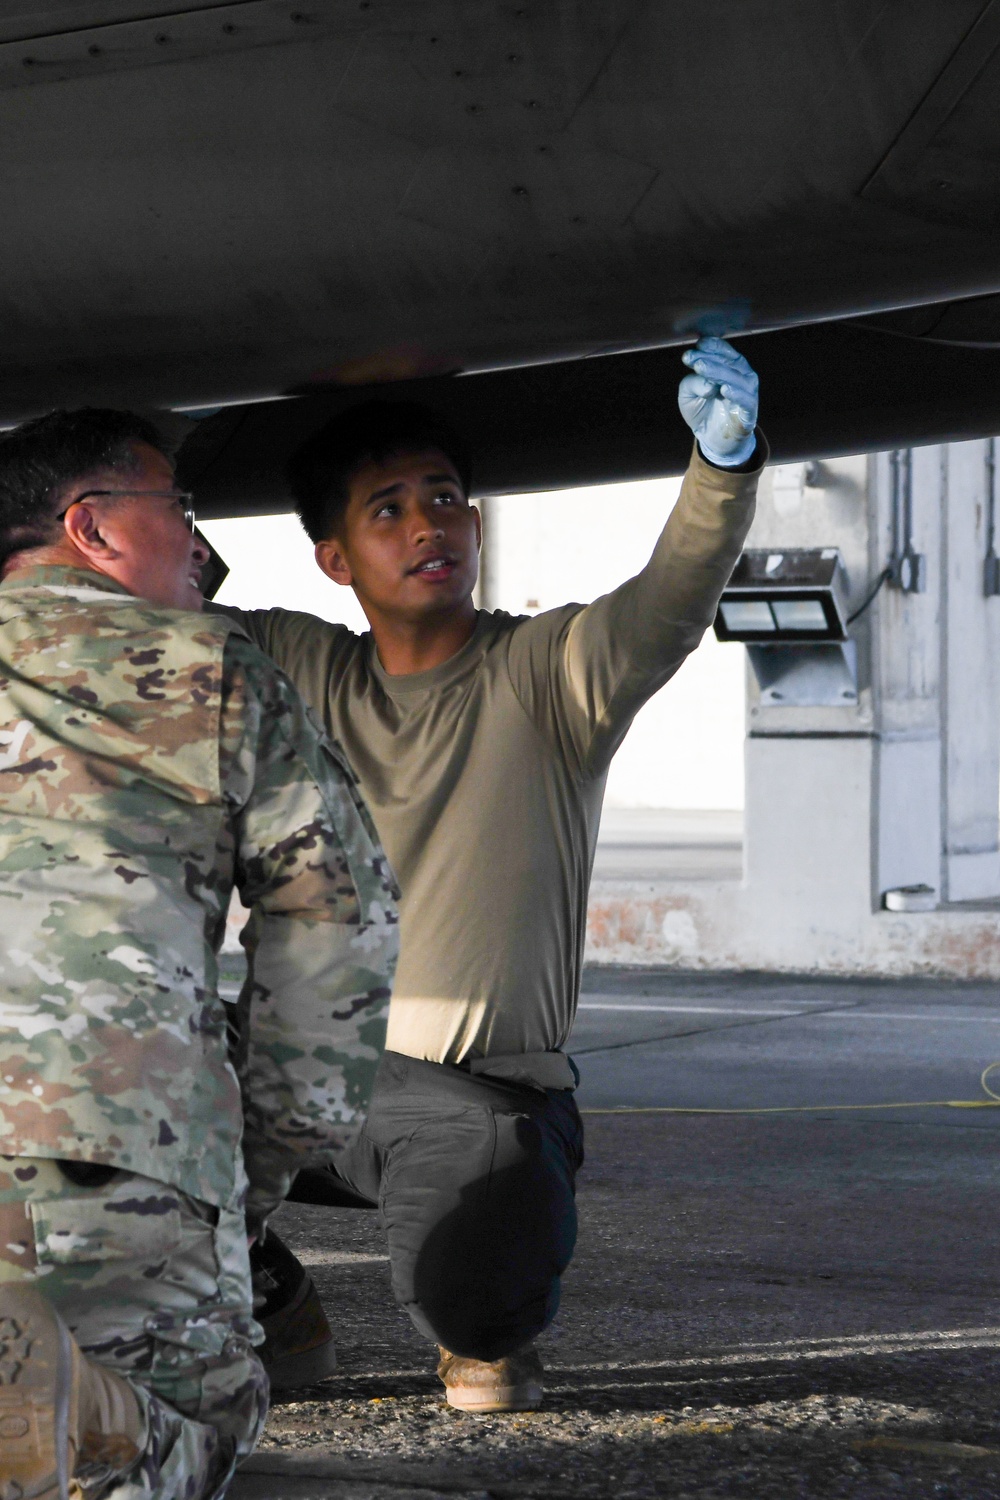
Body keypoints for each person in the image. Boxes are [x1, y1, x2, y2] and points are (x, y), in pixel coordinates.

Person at [209, 336, 764, 1412]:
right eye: (388, 509)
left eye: (448, 498)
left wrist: (721, 470)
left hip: (469, 1097)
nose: (431, 524)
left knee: (476, 1310)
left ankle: (490, 1318)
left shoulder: (551, 674)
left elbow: (669, 600)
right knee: (96, 1120)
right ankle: (271, 1301)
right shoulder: (297, 663)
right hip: (289, 1068)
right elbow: (133, 617)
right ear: (335, 558)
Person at [0, 410, 399, 1500]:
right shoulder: (210, 667)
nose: (199, 542)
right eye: (178, 510)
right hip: (117, 1146)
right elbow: (335, 930)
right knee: (189, 1438)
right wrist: (257, 1168)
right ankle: (84, 1410)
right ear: (92, 528)